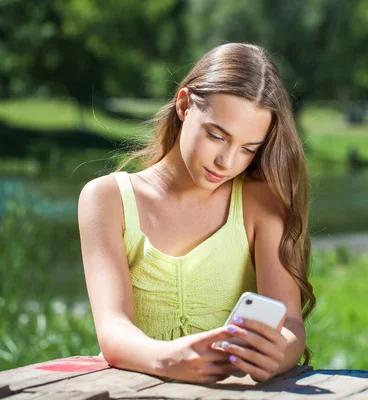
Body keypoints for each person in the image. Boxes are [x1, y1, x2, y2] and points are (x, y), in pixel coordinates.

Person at [77, 43, 315, 384]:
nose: (227, 162)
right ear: (184, 104)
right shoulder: (106, 199)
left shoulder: (260, 203)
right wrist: (168, 359)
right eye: (217, 135)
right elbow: (113, 330)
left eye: (249, 149)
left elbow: (290, 324)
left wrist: (280, 354)